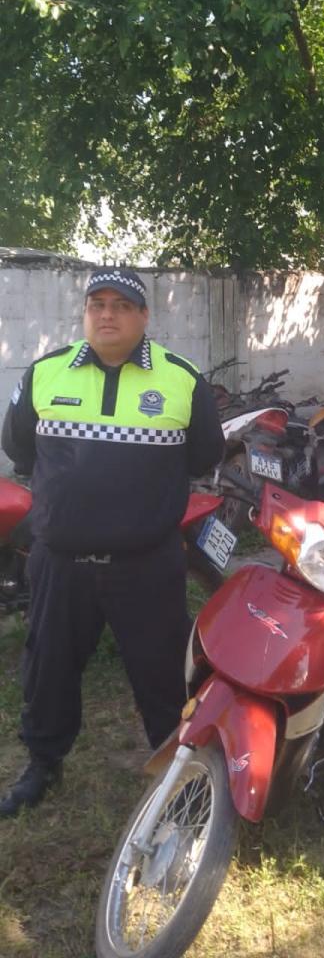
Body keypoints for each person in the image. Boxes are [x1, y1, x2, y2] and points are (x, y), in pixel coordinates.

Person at [0, 266, 224, 817]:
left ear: (144, 316)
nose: (107, 315)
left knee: (162, 672)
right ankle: (43, 765)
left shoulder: (182, 379)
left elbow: (203, 455)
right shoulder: (46, 372)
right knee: (48, 668)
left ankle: (178, 770)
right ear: (85, 313)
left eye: (122, 305)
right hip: (61, 562)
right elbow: (20, 449)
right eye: (97, 304)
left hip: (146, 564)